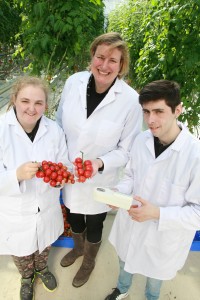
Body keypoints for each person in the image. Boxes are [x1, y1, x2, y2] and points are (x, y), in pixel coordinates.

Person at [55, 32, 143, 288]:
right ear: (92, 56)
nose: (104, 65)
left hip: (99, 177)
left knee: (95, 221)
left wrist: (99, 163)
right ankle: (78, 248)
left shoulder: (130, 101)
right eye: (100, 57)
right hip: (70, 172)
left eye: (113, 60)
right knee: (73, 216)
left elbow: (127, 150)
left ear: (121, 65)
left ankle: (89, 259)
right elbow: (60, 124)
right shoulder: (74, 82)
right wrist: (61, 162)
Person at [104, 79, 200, 300]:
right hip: (130, 226)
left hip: (163, 239)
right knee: (125, 261)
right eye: (146, 112)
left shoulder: (194, 155)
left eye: (159, 111)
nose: (151, 120)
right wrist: (118, 193)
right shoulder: (141, 140)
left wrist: (157, 213)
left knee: (155, 276)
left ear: (178, 110)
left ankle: (151, 297)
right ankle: (122, 289)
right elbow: (131, 176)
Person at [0, 76, 71, 300]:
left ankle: (41, 269)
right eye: (25, 101)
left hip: (47, 207)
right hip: (15, 212)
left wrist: (62, 177)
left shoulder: (55, 131)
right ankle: (26, 277)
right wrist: (16, 176)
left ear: (46, 106)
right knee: (21, 252)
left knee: (44, 247)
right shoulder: (2, 130)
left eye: (39, 103)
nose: (32, 108)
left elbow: (64, 163)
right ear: (14, 99)